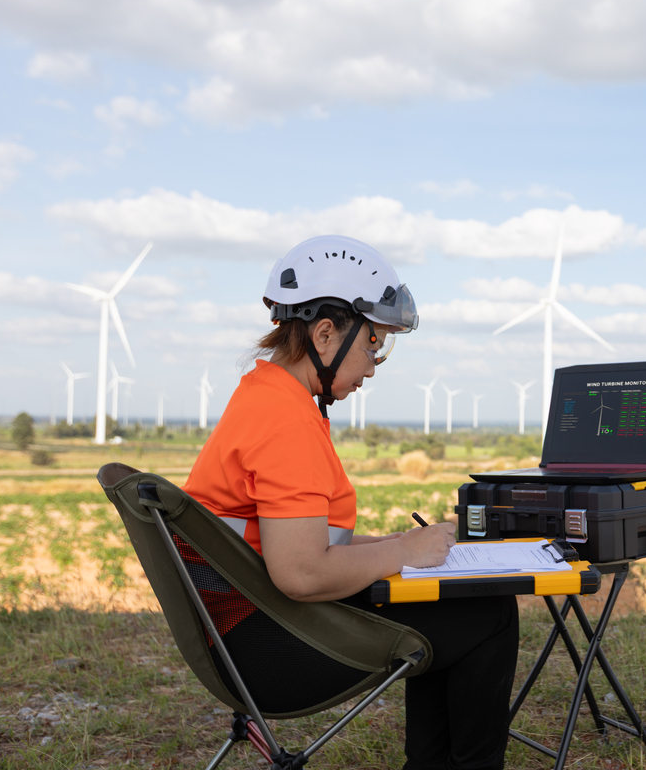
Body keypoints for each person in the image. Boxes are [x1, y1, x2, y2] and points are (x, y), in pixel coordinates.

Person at [183, 234, 518, 770]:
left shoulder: (264, 396)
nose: (374, 364)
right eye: (372, 345)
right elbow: (302, 574)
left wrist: (397, 545)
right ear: (324, 333)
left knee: (446, 602)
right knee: (489, 610)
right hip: (269, 646)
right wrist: (402, 550)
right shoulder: (285, 421)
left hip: (246, 627)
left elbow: (289, 539)